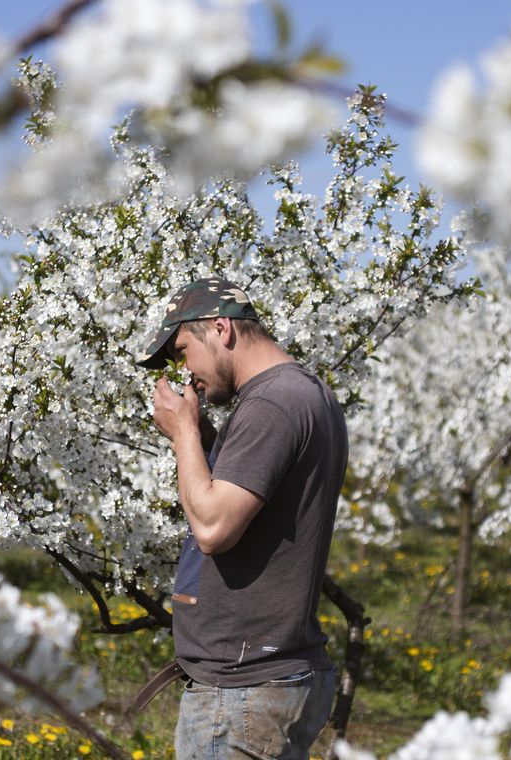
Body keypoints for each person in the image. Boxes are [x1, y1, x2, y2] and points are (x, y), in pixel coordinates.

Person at [136, 276, 348, 760]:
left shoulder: (271, 404)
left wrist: (185, 435)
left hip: (243, 692)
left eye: (183, 351)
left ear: (221, 328)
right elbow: (259, 500)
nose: (184, 372)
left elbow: (214, 528)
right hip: (261, 682)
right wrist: (212, 444)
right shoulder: (302, 393)